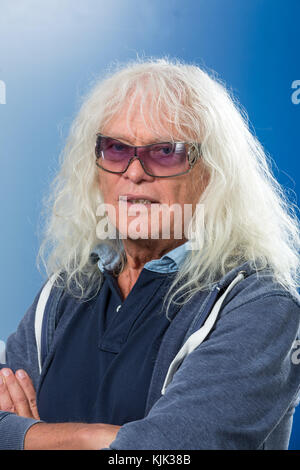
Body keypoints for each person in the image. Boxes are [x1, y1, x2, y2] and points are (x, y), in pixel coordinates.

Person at [0, 58, 300, 450]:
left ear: (212, 172)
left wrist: (29, 438)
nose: (135, 171)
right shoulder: (65, 291)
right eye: (116, 148)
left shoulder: (260, 305)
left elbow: (164, 453)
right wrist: (102, 440)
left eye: (164, 151)